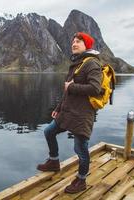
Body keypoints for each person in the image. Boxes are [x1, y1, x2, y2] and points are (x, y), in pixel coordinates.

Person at [36, 32, 102, 194]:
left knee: (80, 149)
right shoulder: (78, 63)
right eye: (73, 41)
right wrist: (58, 108)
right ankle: (54, 161)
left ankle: (81, 180)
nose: (74, 43)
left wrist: (71, 87)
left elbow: (95, 89)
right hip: (68, 111)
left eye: (78, 41)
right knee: (49, 131)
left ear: (87, 45)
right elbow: (67, 90)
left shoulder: (92, 63)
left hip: (82, 114)